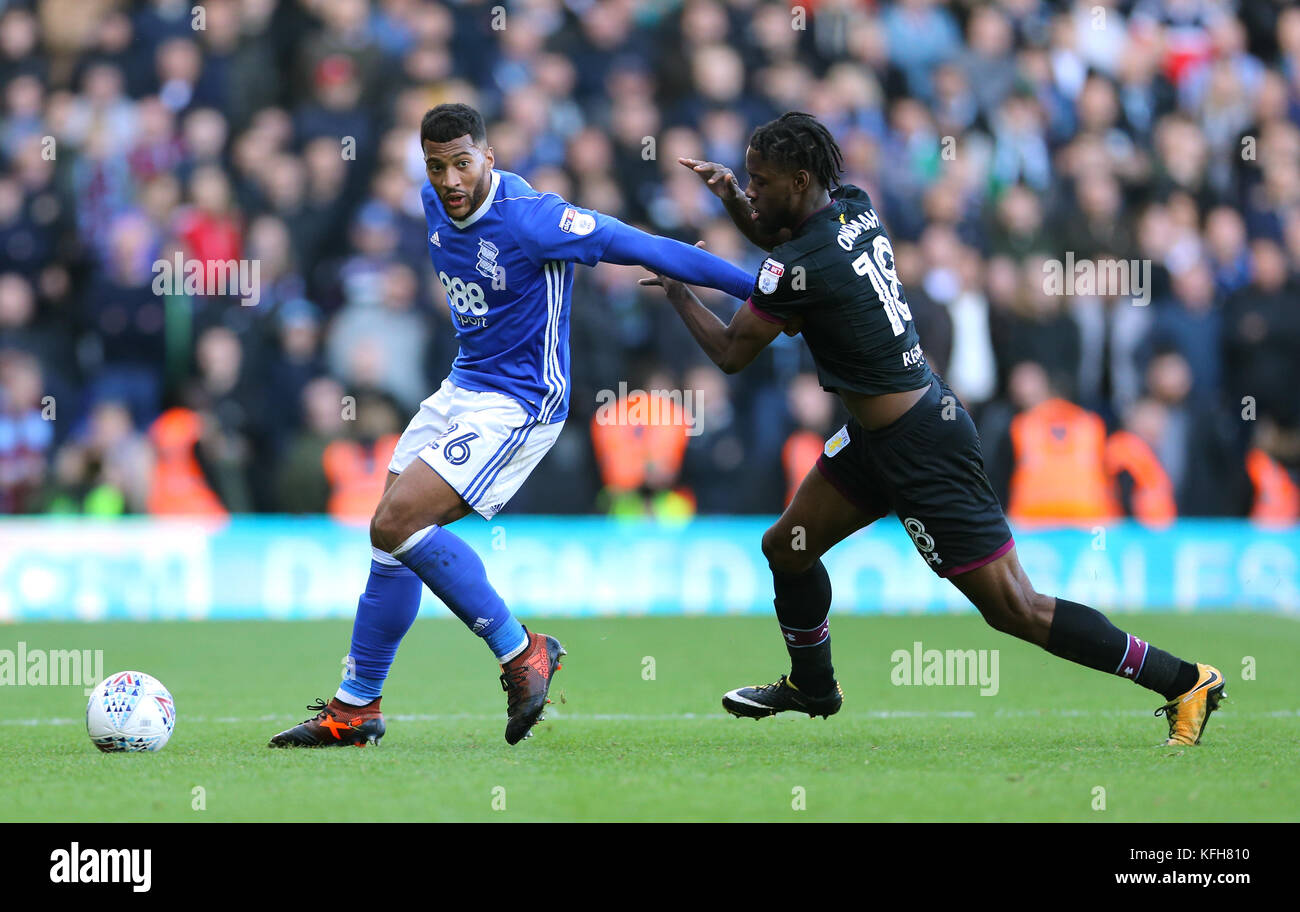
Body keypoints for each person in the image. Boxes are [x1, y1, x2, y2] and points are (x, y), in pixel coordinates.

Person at [640, 112, 1224, 746]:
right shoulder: (853, 207)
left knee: (1016, 610)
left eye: (758, 180)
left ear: (800, 179)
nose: (750, 190)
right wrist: (730, 197)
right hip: (874, 440)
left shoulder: (803, 263)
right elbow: (778, 236)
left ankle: (1184, 679)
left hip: (923, 447)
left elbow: (731, 352)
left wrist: (677, 291)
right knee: (788, 547)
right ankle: (813, 686)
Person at [270, 103, 756, 747]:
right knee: (388, 537)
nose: (449, 180)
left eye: (462, 163)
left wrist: (760, 287)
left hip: (522, 402)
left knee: (395, 522)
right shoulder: (431, 202)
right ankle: (356, 710)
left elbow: (648, 248)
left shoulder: (536, 220)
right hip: (462, 386)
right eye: (436, 166)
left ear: (489, 157)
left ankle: (521, 649)